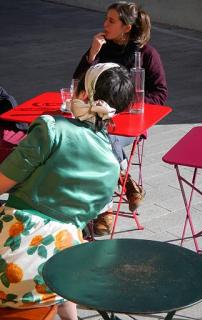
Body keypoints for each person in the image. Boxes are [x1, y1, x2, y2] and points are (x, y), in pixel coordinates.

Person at [0, 63, 134, 320]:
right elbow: (68, 222)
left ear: (83, 95)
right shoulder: (111, 165)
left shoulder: (52, 130)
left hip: (11, 260)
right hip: (62, 272)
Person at [73, 1, 168, 235]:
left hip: (128, 122)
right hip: (98, 117)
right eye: (106, 19)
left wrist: (130, 104)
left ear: (126, 27)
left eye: (111, 21)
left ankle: (104, 212)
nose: (104, 24)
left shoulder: (146, 54)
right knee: (89, 140)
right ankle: (128, 183)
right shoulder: (102, 47)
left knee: (106, 144)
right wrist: (92, 53)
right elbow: (78, 84)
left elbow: (161, 94)